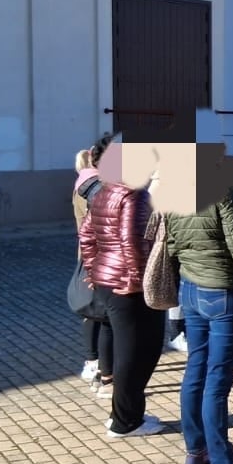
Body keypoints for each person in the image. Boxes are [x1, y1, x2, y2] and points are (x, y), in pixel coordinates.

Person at [164, 171, 233, 464]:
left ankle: (197, 450)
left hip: (191, 288)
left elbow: (170, 242)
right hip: (222, 290)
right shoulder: (221, 189)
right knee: (217, 380)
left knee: (196, 369)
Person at [78, 142, 166, 441]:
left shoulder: (106, 191)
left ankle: (126, 414)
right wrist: (136, 279)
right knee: (138, 351)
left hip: (108, 281)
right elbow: (132, 240)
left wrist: (93, 269)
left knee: (135, 350)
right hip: (128, 287)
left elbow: (86, 234)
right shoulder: (133, 194)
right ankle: (125, 421)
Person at [73, 138, 113, 395]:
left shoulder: (84, 183)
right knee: (101, 315)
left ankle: (94, 363)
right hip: (100, 257)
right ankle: (97, 367)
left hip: (91, 255)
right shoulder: (96, 188)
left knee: (96, 312)